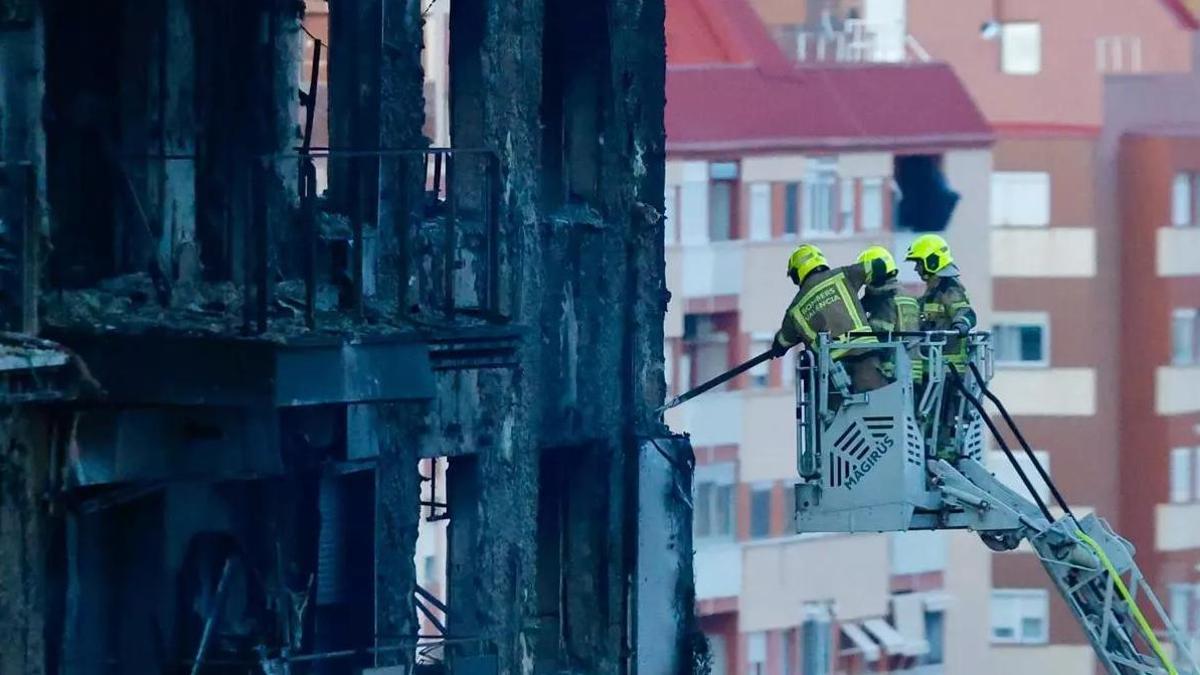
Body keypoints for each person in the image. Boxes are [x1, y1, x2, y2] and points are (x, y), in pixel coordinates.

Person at [771, 243, 886, 394]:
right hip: (867, 362)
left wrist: (776, 349)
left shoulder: (795, 309)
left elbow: (782, 341)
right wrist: (870, 299)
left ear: (797, 273)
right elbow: (880, 266)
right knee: (880, 410)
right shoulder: (843, 275)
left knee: (840, 416)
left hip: (834, 377)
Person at [904, 234, 977, 458]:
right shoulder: (932, 292)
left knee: (942, 418)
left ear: (932, 261)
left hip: (947, 371)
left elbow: (966, 312)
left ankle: (944, 458)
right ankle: (932, 454)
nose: (916, 268)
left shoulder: (950, 289)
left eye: (919, 262)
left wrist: (960, 324)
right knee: (928, 417)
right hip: (933, 370)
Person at [857, 245, 921, 381]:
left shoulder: (884, 300)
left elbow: (878, 340)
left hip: (890, 376)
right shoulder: (909, 297)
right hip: (914, 372)